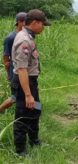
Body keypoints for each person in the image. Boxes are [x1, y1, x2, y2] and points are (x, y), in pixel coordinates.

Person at [11, 9, 51, 156]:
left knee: (36, 109)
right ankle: (20, 151)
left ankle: (34, 141)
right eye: (43, 24)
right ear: (35, 23)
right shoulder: (24, 40)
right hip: (24, 84)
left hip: (31, 83)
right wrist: (28, 95)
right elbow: (22, 69)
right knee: (22, 116)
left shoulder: (28, 36)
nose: (43, 28)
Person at [0, 12, 26, 113]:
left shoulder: (26, 35)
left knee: (24, 93)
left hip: (24, 70)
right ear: (19, 22)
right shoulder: (11, 37)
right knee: (15, 97)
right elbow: (6, 58)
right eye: (24, 21)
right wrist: (8, 73)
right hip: (15, 70)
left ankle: (32, 110)